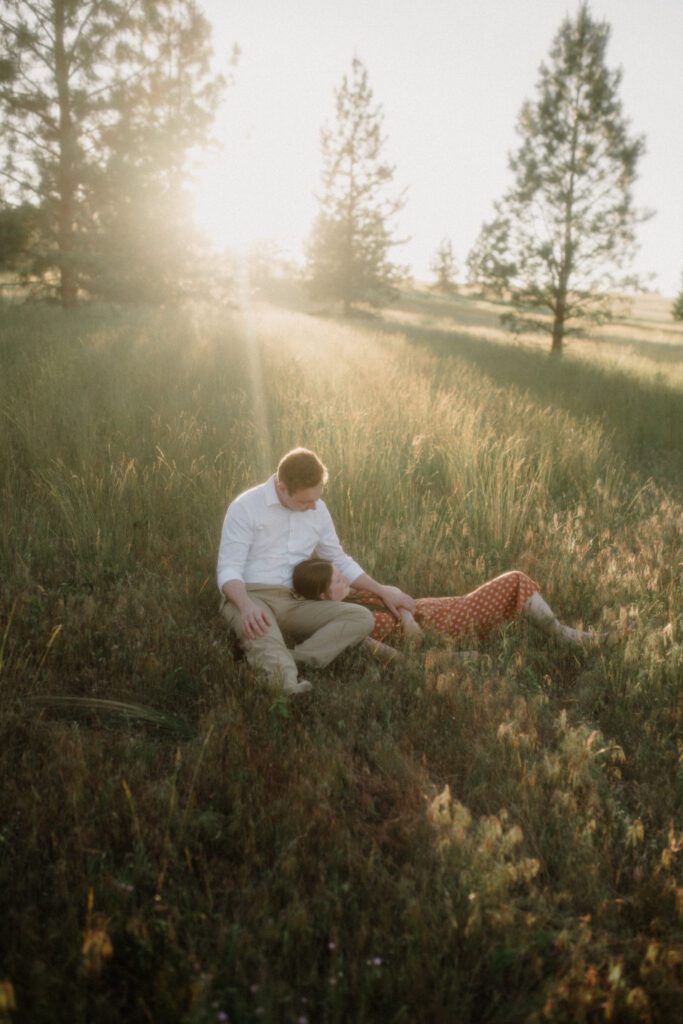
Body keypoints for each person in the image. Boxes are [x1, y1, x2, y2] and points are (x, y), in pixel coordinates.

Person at [217, 448, 416, 695]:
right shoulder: (245, 507)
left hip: (297, 601)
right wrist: (246, 606)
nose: (313, 507)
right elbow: (228, 568)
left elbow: (338, 558)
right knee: (270, 653)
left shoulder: (318, 509)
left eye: (317, 498)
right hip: (251, 596)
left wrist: (382, 591)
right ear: (282, 488)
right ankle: (289, 686)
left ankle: (295, 657)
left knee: (361, 617)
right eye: (305, 501)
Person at [292, 557, 609, 650]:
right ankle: (568, 638)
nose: (342, 579)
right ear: (322, 597)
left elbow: (395, 591)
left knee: (514, 584)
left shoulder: (353, 593)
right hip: (447, 623)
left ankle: (565, 635)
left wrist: (404, 612)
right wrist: (408, 620)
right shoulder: (348, 619)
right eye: (335, 580)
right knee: (514, 579)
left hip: (440, 609)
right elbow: (397, 648)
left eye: (338, 574)